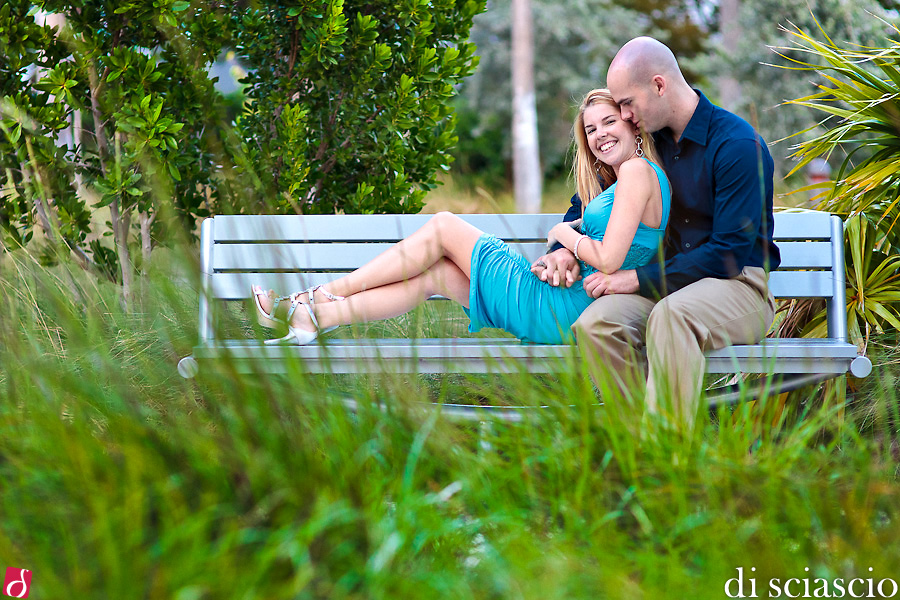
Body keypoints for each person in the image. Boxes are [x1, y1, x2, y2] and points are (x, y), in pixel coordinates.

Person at [252, 89, 671, 348]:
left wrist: (562, 234)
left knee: (444, 225)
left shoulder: (636, 172)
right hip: (564, 306)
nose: (599, 135)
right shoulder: (622, 181)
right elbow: (603, 238)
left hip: (559, 307)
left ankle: (317, 295)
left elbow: (611, 257)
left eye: (609, 122)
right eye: (591, 129)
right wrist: (564, 245)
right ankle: (315, 317)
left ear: (634, 126)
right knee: (435, 275)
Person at [542, 37, 781, 432]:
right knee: (596, 325)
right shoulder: (647, 144)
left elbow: (729, 253)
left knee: (673, 316)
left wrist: (635, 278)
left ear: (658, 85)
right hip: (668, 286)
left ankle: (667, 465)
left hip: (738, 286)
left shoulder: (737, 145)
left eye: (627, 103)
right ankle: (638, 450)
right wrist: (563, 248)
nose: (624, 115)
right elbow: (589, 200)